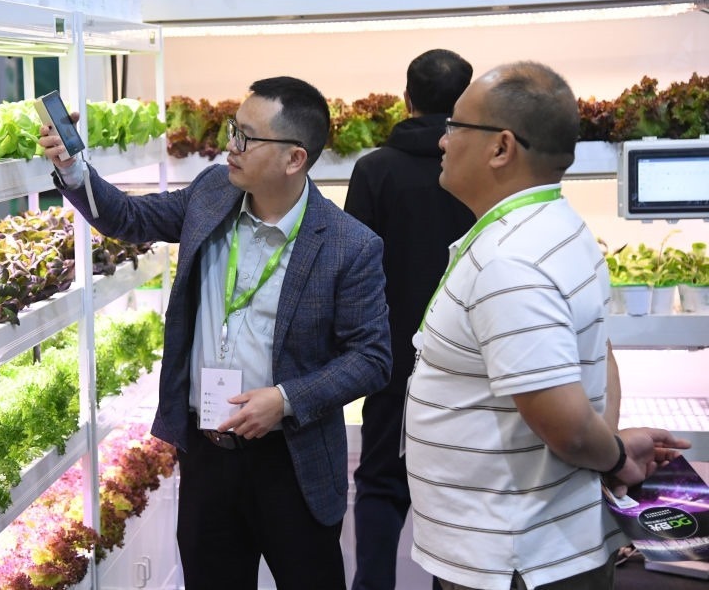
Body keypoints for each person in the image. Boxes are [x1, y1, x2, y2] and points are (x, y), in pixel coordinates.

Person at [39, 76, 393, 590]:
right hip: (208, 454)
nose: (231, 145)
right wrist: (73, 167)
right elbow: (131, 218)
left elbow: (372, 358)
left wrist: (285, 399)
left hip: (292, 461)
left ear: (294, 158)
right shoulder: (213, 192)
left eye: (247, 137)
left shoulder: (349, 244)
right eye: (233, 128)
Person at [405, 60, 691, 590]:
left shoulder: (510, 260)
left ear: (501, 148)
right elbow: (598, 351)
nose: (442, 141)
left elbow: (568, 426)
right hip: (526, 547)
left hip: (514, 559)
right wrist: (611, 446)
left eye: (455, 126)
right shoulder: (558, 225)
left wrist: (615, 456)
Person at [344, 49, 475, 590]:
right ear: (468, 103)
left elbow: (351, 268)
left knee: (380, 483)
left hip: (391, 355)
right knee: (464, 486)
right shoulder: (483, 168)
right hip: (471, 358)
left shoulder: (374, 169)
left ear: (406, 99)